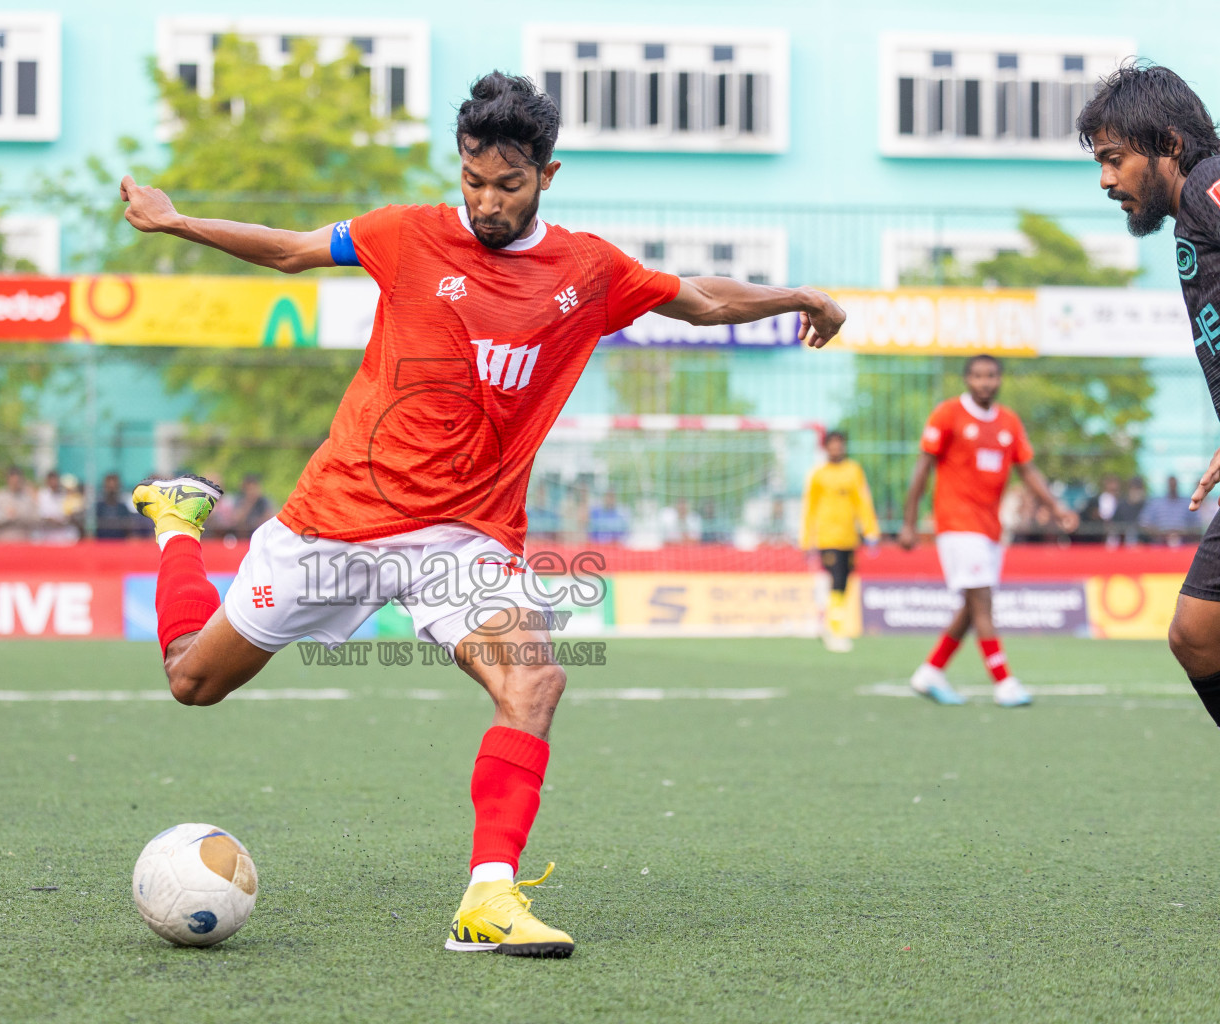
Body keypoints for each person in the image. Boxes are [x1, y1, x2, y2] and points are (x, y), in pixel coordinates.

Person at [118, 71, 847, 958]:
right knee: (192, 679)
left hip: (462, 539)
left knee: (534, 680)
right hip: (335, 520)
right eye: (473, 179)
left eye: (507, 184)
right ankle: (178, 526)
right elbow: (288, 249)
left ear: (548, 174)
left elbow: (701, 299)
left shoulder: (589, 270)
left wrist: (797, 298)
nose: (486, 201)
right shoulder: (405, 233)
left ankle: (487, 899)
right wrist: (176, 220)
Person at [1079, 63, 1220, 724]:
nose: (1106, 179)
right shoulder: (1196, 207)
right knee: (1196, 634)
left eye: (1114, 158)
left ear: (1167, 144)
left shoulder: (1209, 185)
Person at [900, 356, 1078, 707]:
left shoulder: (1008, 421)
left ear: (1000, 380)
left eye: (991, 376)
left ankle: (930, 672)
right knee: (983, 600)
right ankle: (1004, 682)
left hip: (989, 528)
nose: (985, 382)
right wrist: (909, 523)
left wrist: (1056, 508)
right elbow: (922, 468)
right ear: (967, 379)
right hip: (956, 523)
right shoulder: (948, 414)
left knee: (971, 605)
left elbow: (1027, 471)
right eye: (978, 376)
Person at [800, 430, 879, 653]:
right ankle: (834, 629)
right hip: (827, 537)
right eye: (832, 445)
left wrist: (871, 530)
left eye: (840, 444)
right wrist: (807, 539)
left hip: (849, 538)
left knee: (843, 582)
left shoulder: (853, 471)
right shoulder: (818, 475)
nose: (837, 449)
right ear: (826, 448)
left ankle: (830, 622)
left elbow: (862, 502)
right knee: (835, 580)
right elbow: (809, 509)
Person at [1140, 475, 1202, 545]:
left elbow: (1197, 526)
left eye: (1174, 484)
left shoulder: (1187, 504)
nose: (1172, 486)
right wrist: (1161, 533)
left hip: (1184, 544)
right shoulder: (1156, 503)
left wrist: (1182, 533)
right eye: (1170, 484)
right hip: (1159, 544)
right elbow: (1144, 524)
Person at [0, 466, 38, 542]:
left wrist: (18, 515)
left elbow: (36, 520)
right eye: (13, 481)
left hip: (24, 541)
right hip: (4, 541)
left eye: (18, 481)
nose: (15, 483)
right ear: (7, 480)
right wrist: (6, 516)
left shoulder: (28, 497)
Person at [93, 472, 143, 540]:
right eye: (109, 488)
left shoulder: (122, 508)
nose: (111, 491)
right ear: (105, 487)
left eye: (114, 488)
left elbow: (129, 529)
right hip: (101, 543)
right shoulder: (98, 507)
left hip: (119, 544)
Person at [35, 469, 79, 544]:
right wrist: (52, 520)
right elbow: (41, 515)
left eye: (55, 480)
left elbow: (71, 513)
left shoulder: (65, 494)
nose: (54, 483)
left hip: (63, 534)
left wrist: (66, 519)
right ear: (47, 481)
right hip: (48, 534)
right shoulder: (42, 495)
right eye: (51, 480)